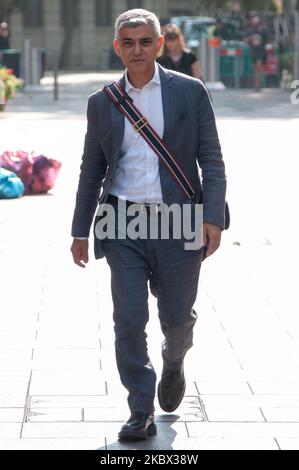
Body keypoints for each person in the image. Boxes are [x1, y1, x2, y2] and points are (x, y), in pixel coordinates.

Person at [70, 8, 227, 441]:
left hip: (179, 222)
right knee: (129, 318)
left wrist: (212, 217)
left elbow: (211, 158)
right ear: (117, 47)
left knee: (177, 319)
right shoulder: (101, 103)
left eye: (144, 41)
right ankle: (139, 408)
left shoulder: (189, 92)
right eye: (128, 42)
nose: (136, 49)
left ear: (159, 44)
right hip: (123, 222)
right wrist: (80, 229)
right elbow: (91, 169)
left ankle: (174, 361)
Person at [246, 15, 268, 91]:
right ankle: (257, 83)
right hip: (253, 51)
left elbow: (266, 40)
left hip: (261, 52)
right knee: (255, 68)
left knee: (258, 67)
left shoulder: (263, 30)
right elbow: (246, 39)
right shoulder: (250, 30)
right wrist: (250, 38)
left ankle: (258, 84)